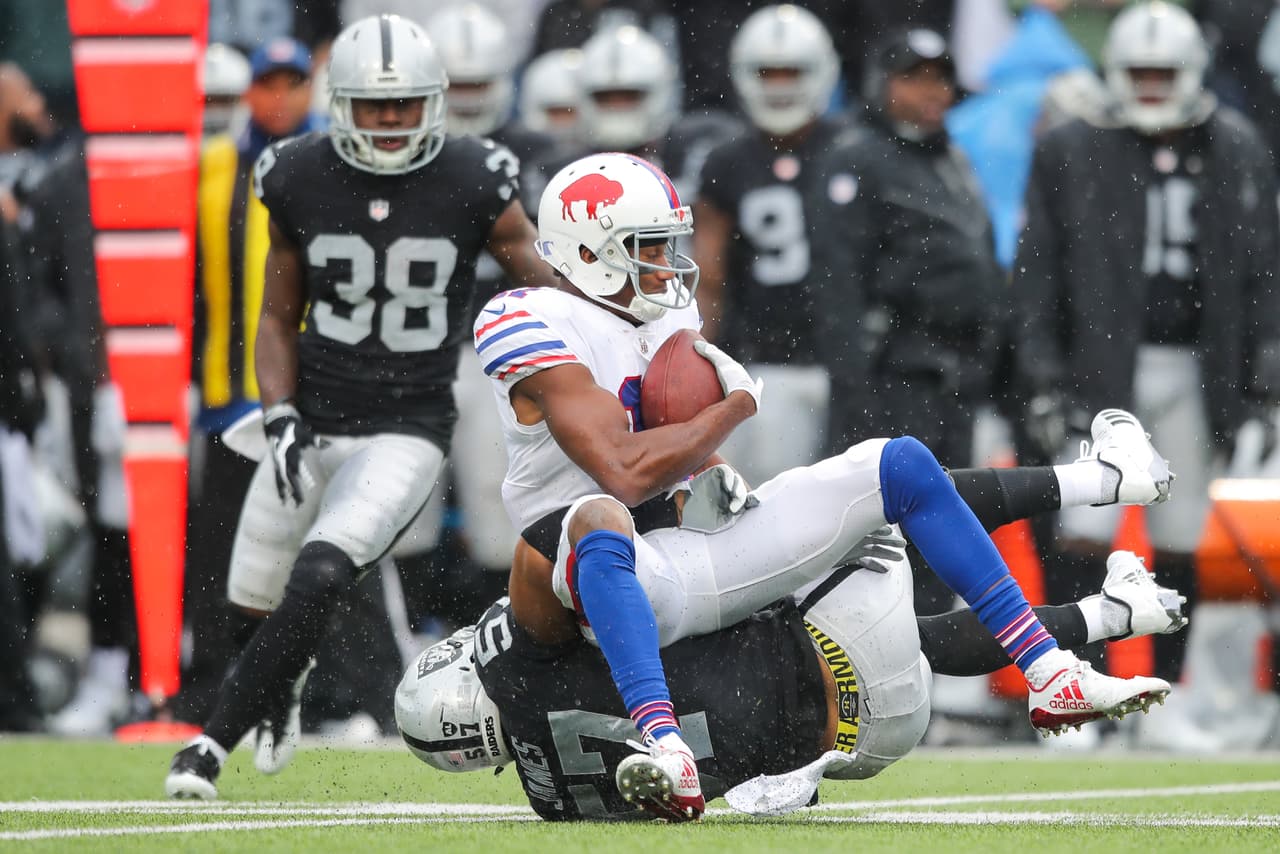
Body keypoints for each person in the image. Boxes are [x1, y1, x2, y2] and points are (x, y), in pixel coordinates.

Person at [470, 150, 1173, 821]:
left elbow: (671, 462)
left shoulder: (666, 317)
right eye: (647, 248)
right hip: (602, 576)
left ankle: (1051, 672)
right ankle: (665, 746)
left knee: (896, 463)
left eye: (665, 244)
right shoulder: (527, 320)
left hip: (687, 551)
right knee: (598, 516)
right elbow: (618, 468)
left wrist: (712, 474)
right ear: (588, 254)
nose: (666, 264)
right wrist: (731, 410)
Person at [163, 13, 545, 799]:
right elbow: (275, 316)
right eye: (376, 105)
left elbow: (543, 280)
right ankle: (281, 689)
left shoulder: (475, 173)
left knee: (326, 568)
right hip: (314, 413)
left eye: (407, 103)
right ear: (341, 104)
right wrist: (276, 410)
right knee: (249, 606)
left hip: (408, 424)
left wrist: (622, 321)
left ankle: (206, 746)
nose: (393, 120)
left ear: (433, 101)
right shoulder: (298, 171)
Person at [395, 459, 1189, 820]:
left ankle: (1115, 613)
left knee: (908, 645)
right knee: (891, 488)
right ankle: (1098, 480)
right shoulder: (521, 652)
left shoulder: (552, 804)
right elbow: (550, 550)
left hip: (860, 741)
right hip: (833, 631)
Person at [1011, 1, 1280, 748]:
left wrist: (1262, 381)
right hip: (1102, 368)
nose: (1153, 87)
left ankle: (1162, 700)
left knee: (1181, 535)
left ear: (1193, 71)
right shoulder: (1072, 147)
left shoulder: (1236, 145)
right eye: (1140, 73)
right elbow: (1039, 270)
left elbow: (1262, 274)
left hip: (1200, 368)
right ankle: (1082, 697)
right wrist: (1043, 375)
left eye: (1165, 73)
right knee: (1084, 533)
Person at [806, 29, 1008, 615]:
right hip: (892, 379)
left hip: (952, 381)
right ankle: (870, 685)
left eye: (940, 77)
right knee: (882, 540)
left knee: (943, 541)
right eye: (913, 76)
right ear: (882, 84)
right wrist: (855, 393)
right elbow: (838, 286)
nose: (931, 90)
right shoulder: (857, 156)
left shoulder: (947, 153)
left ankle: (927, 678)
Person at [174, 35, 323, 727]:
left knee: (320, 546)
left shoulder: (330, 163)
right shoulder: (210, 166)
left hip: (312, 393)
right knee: (216, 554)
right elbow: (180, 282)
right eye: (270, 83)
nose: (282, 96)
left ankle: (322, 691)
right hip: (225, 391)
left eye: (295, 82)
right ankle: (209, 687)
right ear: (251, 91)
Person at [692, 4, 845, 486]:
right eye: (768, 72)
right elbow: (709, 275)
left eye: (792, 72)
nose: (779, 85)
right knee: (779, 512)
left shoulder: (854, 149)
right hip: (767, 362)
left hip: (846, 361)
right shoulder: (728, 161)